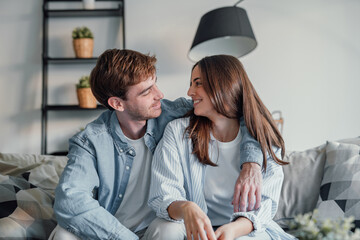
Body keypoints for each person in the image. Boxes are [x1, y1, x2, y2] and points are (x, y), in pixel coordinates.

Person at [49, 49, 264, 240]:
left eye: (155, 84)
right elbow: (70, 201)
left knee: (167, 228)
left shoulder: (171, 112)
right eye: (146, 92)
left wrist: (251, 163)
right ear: (117, 103)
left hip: (160, 225)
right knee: (62, 234)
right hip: (110, 230)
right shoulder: (90, 141)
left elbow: (232, 108)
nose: (159, 95)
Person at [149, 55, 296, 240]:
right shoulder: (178, 131)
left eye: (198, 83)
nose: (189, 91)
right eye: (191, 84)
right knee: (164, 229)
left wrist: (233, 230)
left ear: (223, 84)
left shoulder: (262, 138)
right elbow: (164, 193)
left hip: (244, 229)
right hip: (189, 226)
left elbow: (266, 204)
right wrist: (186, 208)